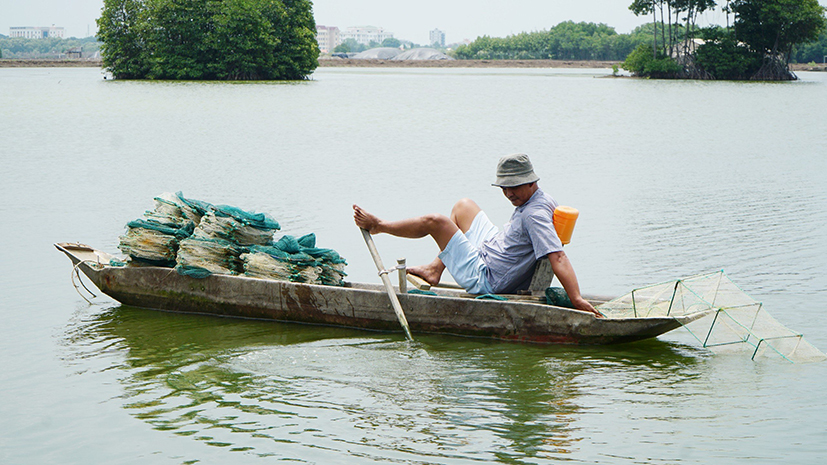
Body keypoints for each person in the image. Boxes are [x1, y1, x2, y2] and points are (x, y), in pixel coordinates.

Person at [353, 153, 600, 317]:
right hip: (492, 250)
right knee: (463, 206)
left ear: (530, 182)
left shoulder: (533, 214)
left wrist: (576, 298)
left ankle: (380, 225)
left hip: (487, 277)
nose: (508, 193)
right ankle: (435, 269)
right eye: (504, 187)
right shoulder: (542, 198)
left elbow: (558, 256)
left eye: (513, 186)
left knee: (435, 222)